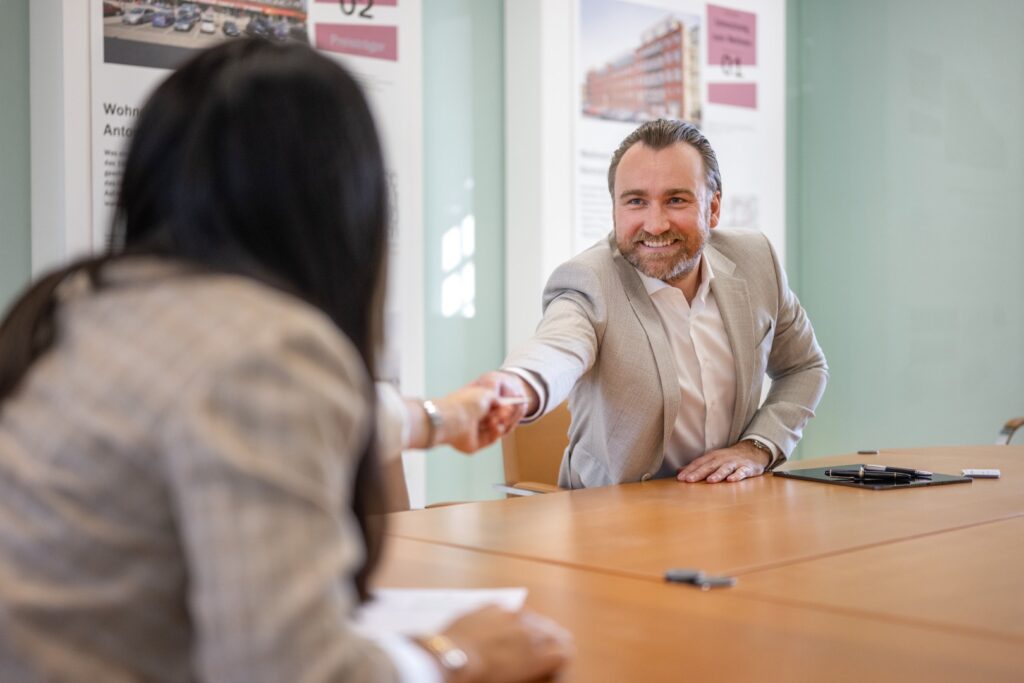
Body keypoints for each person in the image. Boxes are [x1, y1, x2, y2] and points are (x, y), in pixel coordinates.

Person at [0, 40, 570, 682]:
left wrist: (439, 418)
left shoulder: (80, 304)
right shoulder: (266, 346)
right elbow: (290, 668)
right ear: (340, 196)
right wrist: (455, 656)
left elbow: (249, 422)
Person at [481, 119, 828, 489]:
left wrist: (758, 446)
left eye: (676, 200)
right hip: (612, 522)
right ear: (615, 209)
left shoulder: (756, 260)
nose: (656, 224)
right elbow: (558, 348)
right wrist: (514, 387)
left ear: (712, 208)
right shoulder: (588, 280)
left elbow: (804, 367)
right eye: (636, 202)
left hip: (732, 512)